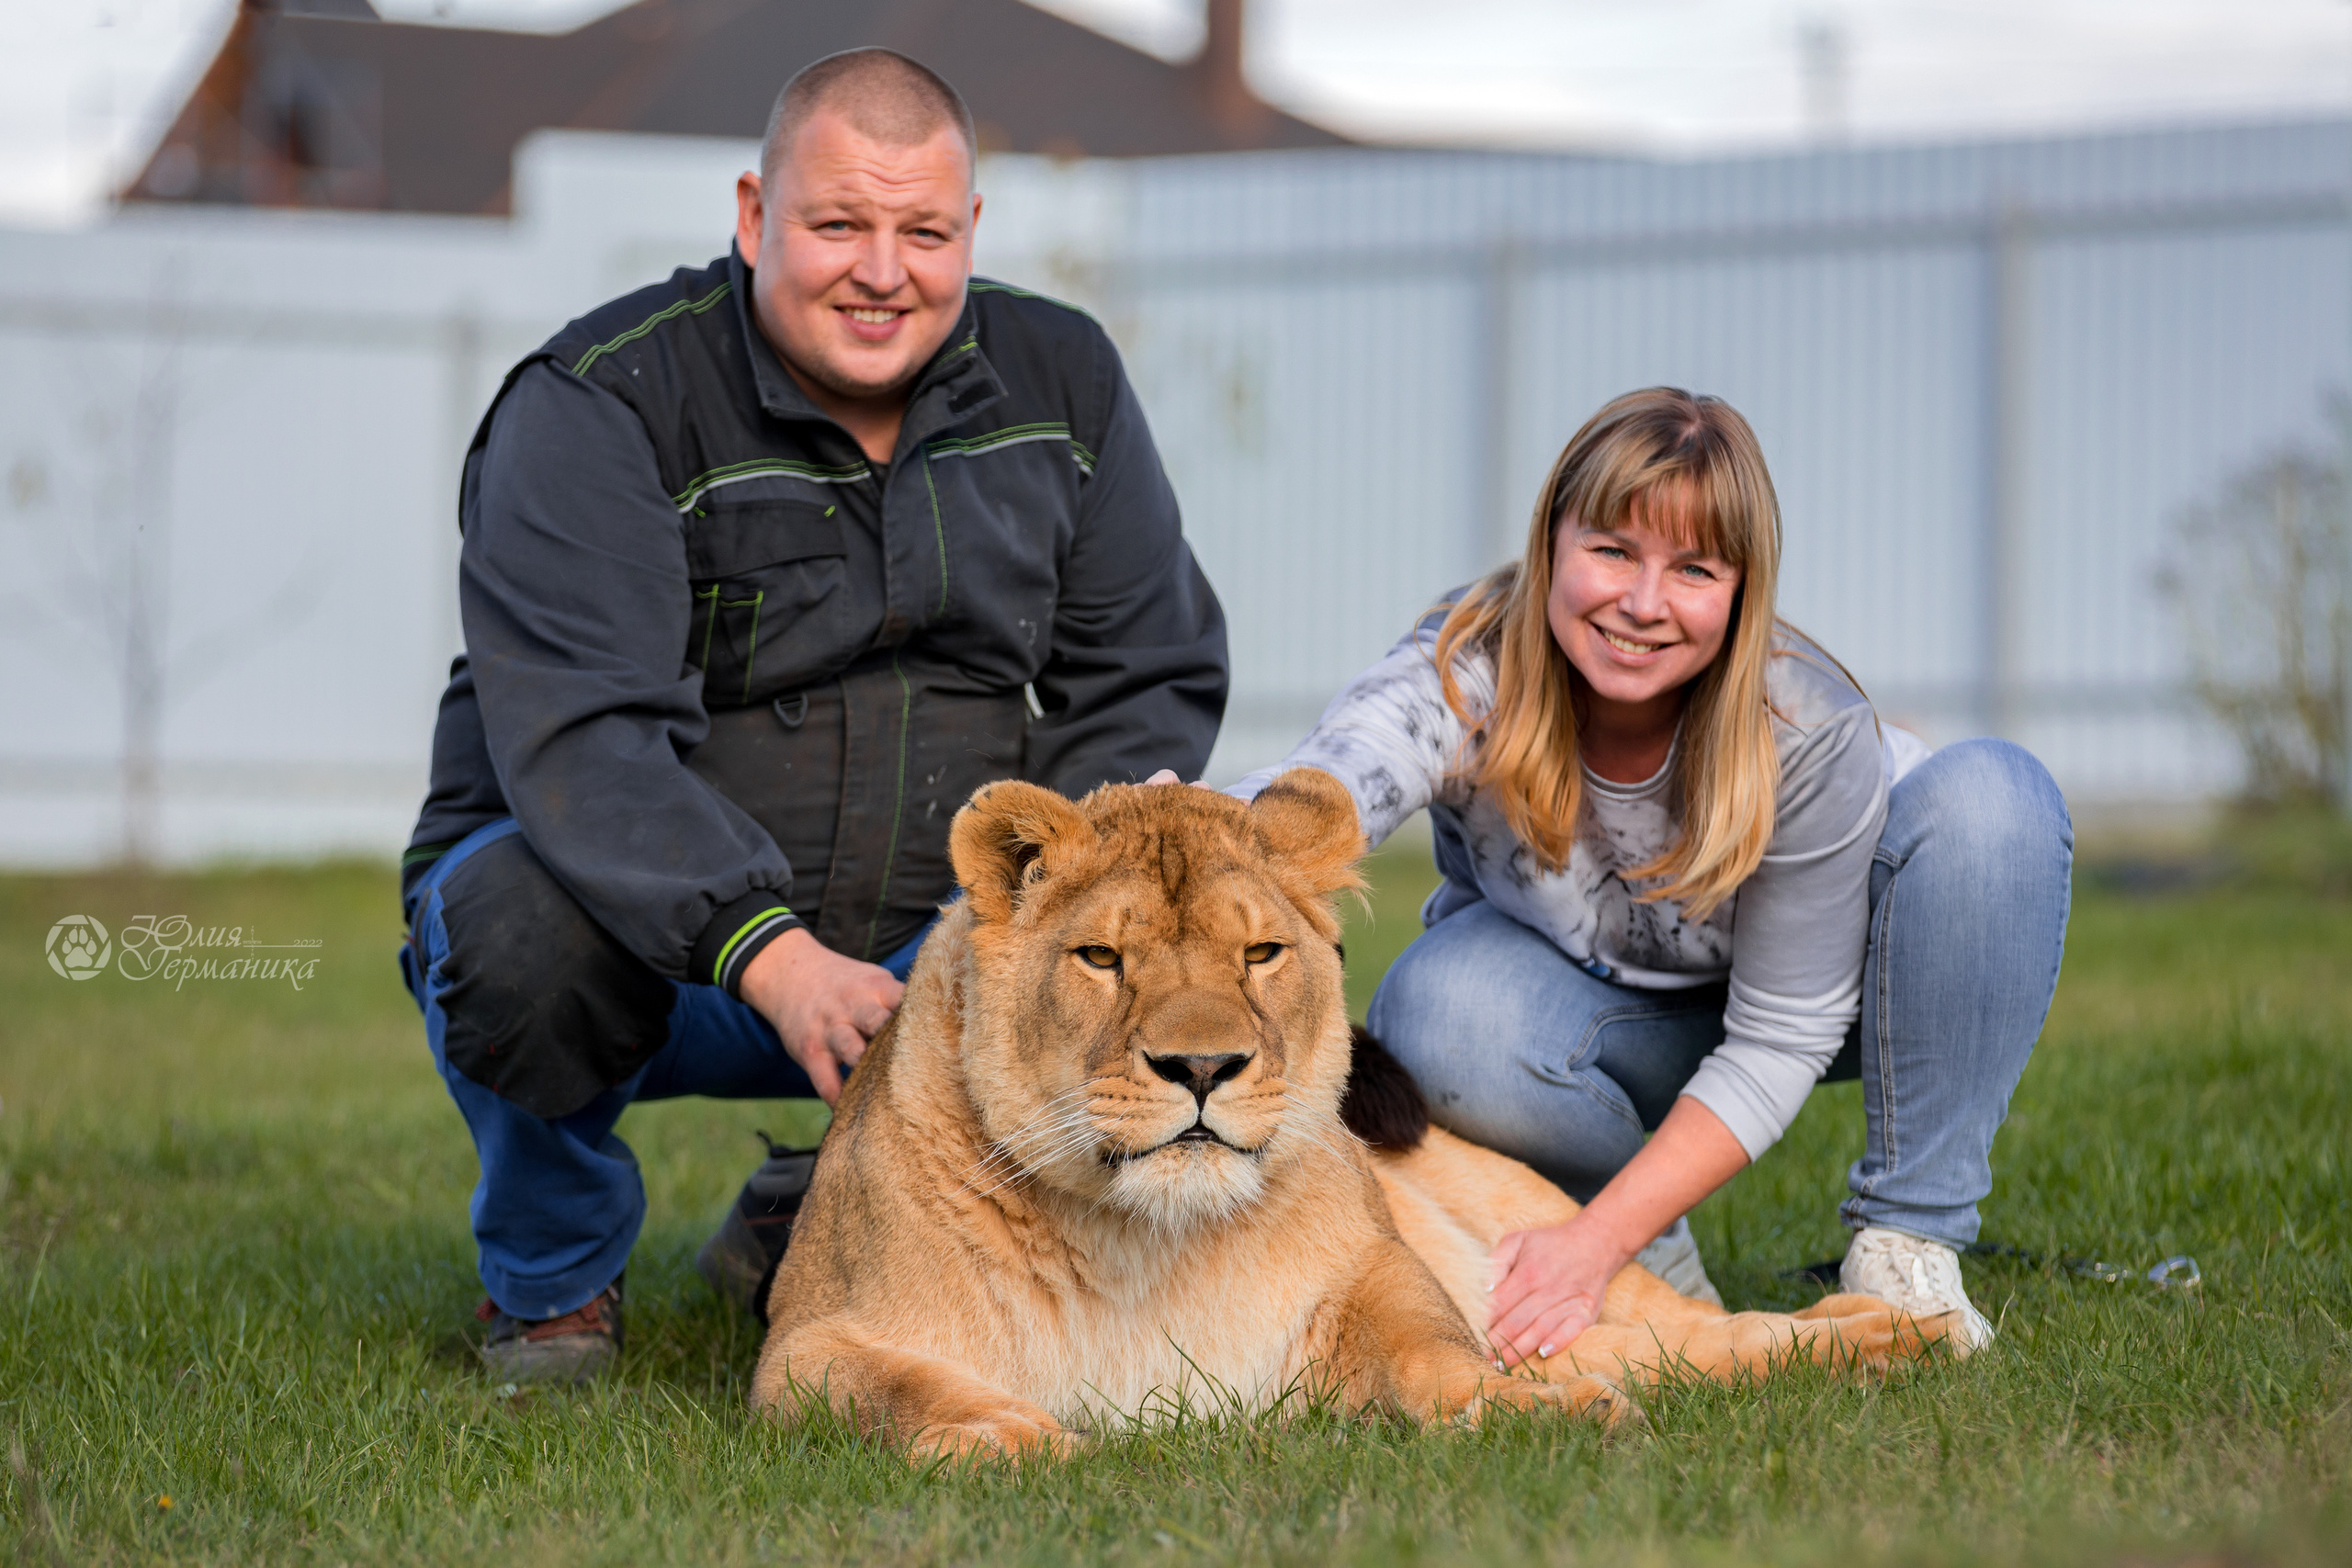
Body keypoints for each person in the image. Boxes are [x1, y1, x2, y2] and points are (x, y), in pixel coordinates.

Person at [398, 48, 1227, 1383]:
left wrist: (1049, 920)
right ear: (753, 214)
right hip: (640, 947)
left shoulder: (1062, 382)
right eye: (839, 223)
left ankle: (816, 1216)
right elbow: (587, 737)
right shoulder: (599, 401)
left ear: (972, 232)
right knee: (514, 939)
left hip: (927, 940)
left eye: (923, 231)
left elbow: (1141, 674)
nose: (881, 271)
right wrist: (771, 953)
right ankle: (552, 1283)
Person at [1227, 387, 2070, 1364]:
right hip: (1612, 1016)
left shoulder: (1803, 722)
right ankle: (1647, 1254)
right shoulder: (1470, 664)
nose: (1641, 602)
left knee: (1994, 796)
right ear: (1551, 542)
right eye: (1612, 550)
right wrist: (1213, 830)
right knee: (1441, 1008)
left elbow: (1782, 1032)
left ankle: (1903, 1244)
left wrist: (1592, 1246)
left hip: (1848, 997)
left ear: (1744, 591)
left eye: (1694, 569)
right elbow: (1341, 770)